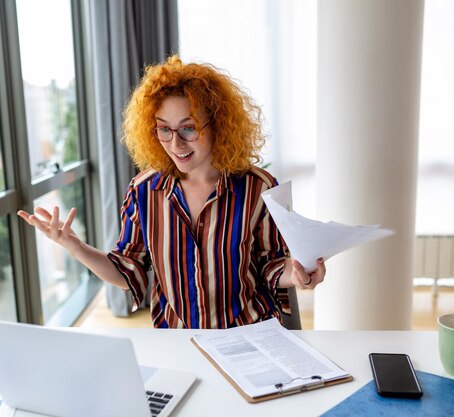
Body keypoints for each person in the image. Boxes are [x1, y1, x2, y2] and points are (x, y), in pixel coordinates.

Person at [18, 55, 326, 329]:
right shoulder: (143, 191)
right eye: (163, 129)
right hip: (177, 340)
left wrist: (299, 274)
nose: (175, 144)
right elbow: (129, 273)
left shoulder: (258, 187)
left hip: (250, 334)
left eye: (188, 128)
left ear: (217, 125)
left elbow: (271, 265)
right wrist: (73, 245)